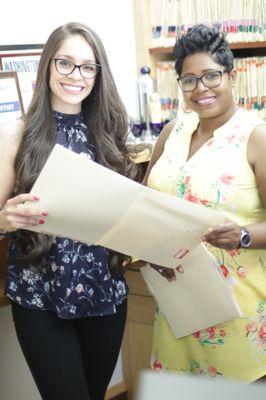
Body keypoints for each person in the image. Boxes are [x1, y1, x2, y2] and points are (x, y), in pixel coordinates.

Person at [0, 22, 137, 400]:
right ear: (47, 67)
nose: (76, 76)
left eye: (87, 66)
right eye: (65, 63)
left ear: (98, 73)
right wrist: (4, 219)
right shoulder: (16, 134)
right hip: (40, 297)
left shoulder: (109, 133)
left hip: (105, 293)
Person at [142, 24, 266, 382]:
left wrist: (241, 236)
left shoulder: (255, 137)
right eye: (189, 80)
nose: (201, 89)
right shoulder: (171, 132)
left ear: (232, 76)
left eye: (211, 76)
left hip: (237, 317)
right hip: (176, 311)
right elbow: (146, 205)